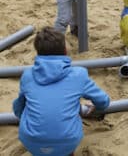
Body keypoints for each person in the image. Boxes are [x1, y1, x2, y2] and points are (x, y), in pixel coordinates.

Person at [13, 26, 110, 156]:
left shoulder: (28, 75)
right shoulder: (78, 74)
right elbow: (103, 101)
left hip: (32, 141)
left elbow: (18, 108)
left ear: (38, 52)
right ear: (65, 51)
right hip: (66, 141)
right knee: (66, 137)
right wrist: (96, 108)